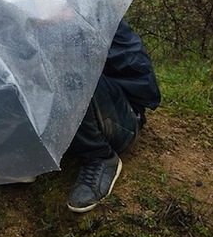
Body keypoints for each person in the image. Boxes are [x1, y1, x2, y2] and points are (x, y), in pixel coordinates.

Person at [65, 18, 160, 212]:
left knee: (67, 73)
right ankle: (30, 155)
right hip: (69, 129)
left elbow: (145, 88)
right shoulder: (32, 26)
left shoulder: (97, 16)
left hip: (122, 120)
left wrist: (71, 36)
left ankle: (100, 158)